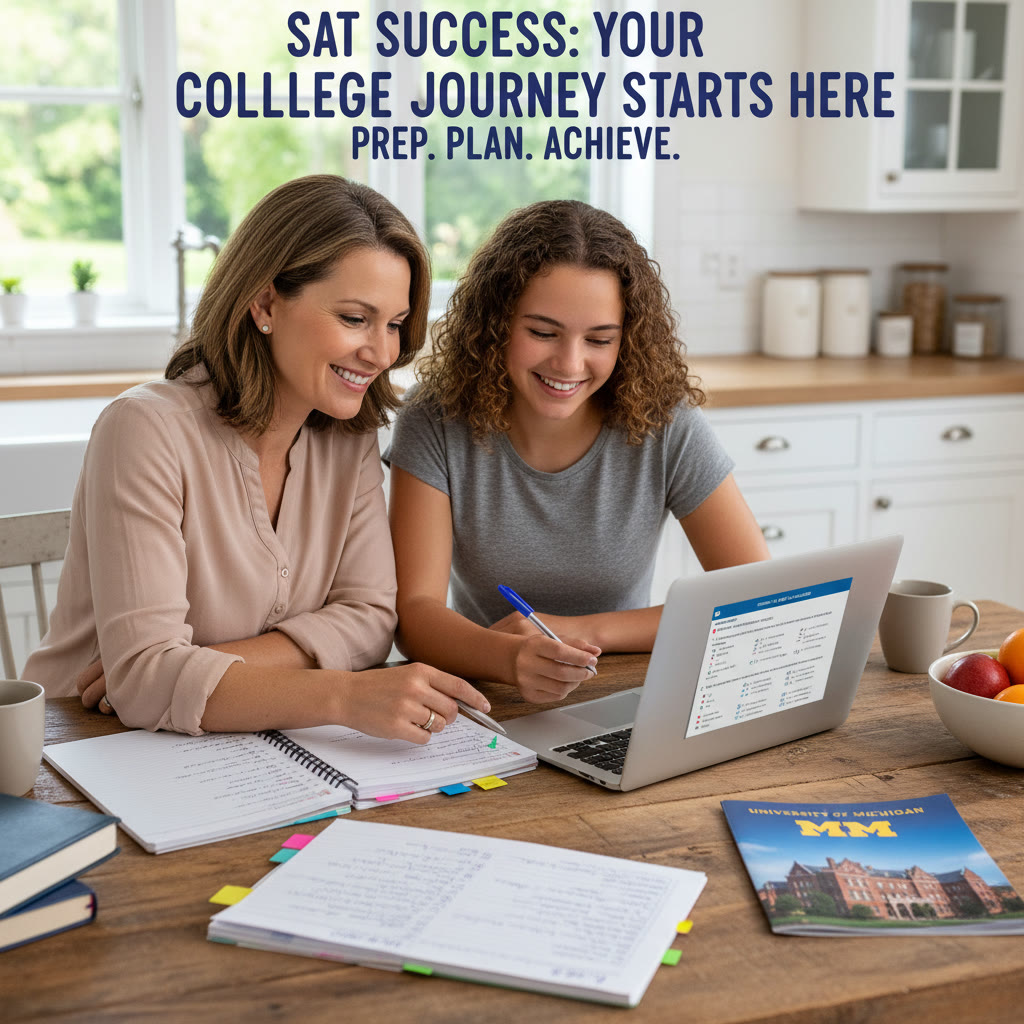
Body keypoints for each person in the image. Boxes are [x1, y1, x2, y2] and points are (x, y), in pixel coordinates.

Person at [24, 175, 489, 742]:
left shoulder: (348, 436)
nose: (382, 352)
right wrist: (344, 694)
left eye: (394, 324)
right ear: (266, 303)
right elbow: (145, 681)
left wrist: (195, 669)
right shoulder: (145, 430)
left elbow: (370, 622)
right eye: (353, 318)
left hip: (235, 745)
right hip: (85, 746)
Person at [385, 199, 769, 704]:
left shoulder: (665, 422)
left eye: (599, 339)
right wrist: (508, 658)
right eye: (543, 332)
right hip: (489, 691)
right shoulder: (435, 418)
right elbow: (414, 616)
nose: (569, 363)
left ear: (626, 339)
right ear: (496, 324)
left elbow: (755, 596)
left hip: (626, 691)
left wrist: (586, 631)